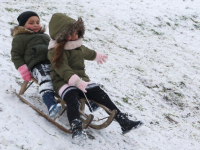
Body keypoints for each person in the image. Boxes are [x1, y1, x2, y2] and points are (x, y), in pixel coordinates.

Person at [47, 13, 143, 139]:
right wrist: (75, 81)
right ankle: (76, 127)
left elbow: (88, 52)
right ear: (60, 35)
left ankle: (122, 120)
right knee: (72, 100)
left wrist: (97, 56)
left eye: (76, 33)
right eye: (70, 34)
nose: (74, 36)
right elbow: (62, 68)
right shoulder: (55, 51)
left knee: (100, 93)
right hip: (63, 82)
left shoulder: (77, 46)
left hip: (81, 80)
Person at [10, 11, 62, 119]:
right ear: (23, 25)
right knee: (46, 79)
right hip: (36, 64)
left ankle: (78, 96)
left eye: (37, 22)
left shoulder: (45, 36)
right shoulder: (20, 37)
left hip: (51, 63)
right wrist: (23, 70)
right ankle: (51, 105)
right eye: (31, 22)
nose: (35, 25)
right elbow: (16, 55)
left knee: (64, 77)